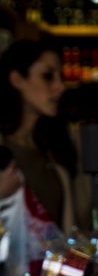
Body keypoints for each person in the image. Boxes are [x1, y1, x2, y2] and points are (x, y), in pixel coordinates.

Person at [0, 39, 79, 233]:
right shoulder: (3, 146)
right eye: (47, 76)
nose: (60, 86)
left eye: (60, 76)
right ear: (17, 79)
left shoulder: (54, 150)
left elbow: (69, 233)